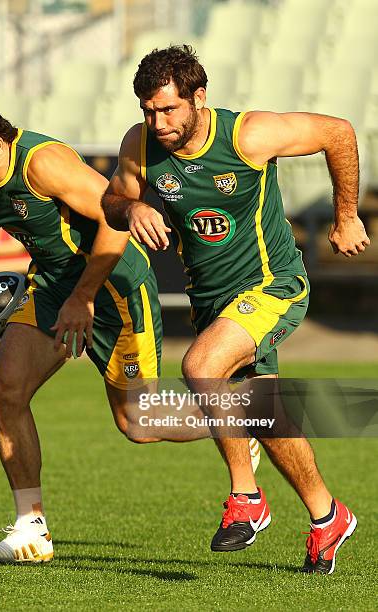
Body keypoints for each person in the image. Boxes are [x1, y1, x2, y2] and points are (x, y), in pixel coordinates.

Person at [101, 45, 370, 574]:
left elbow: (338, 132)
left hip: (272, 285)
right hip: (212, 302)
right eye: (148, 111)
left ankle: (246, 498)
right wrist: (132, 206)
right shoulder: (142, 143)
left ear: (200, 98)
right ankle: (327, 516)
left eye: (169, 110)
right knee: (265, 416)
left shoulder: (247, 135)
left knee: (200, 367)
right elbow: (112, 199)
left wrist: (346, 216)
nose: (157, 122)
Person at [0, 99, 163, 564]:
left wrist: (84, 296)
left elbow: (115, 218)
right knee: (5, 390)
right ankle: (30, 530)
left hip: (113, 285)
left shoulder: (44, 165)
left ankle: (243, 419)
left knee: (140, 425)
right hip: (53, 285)